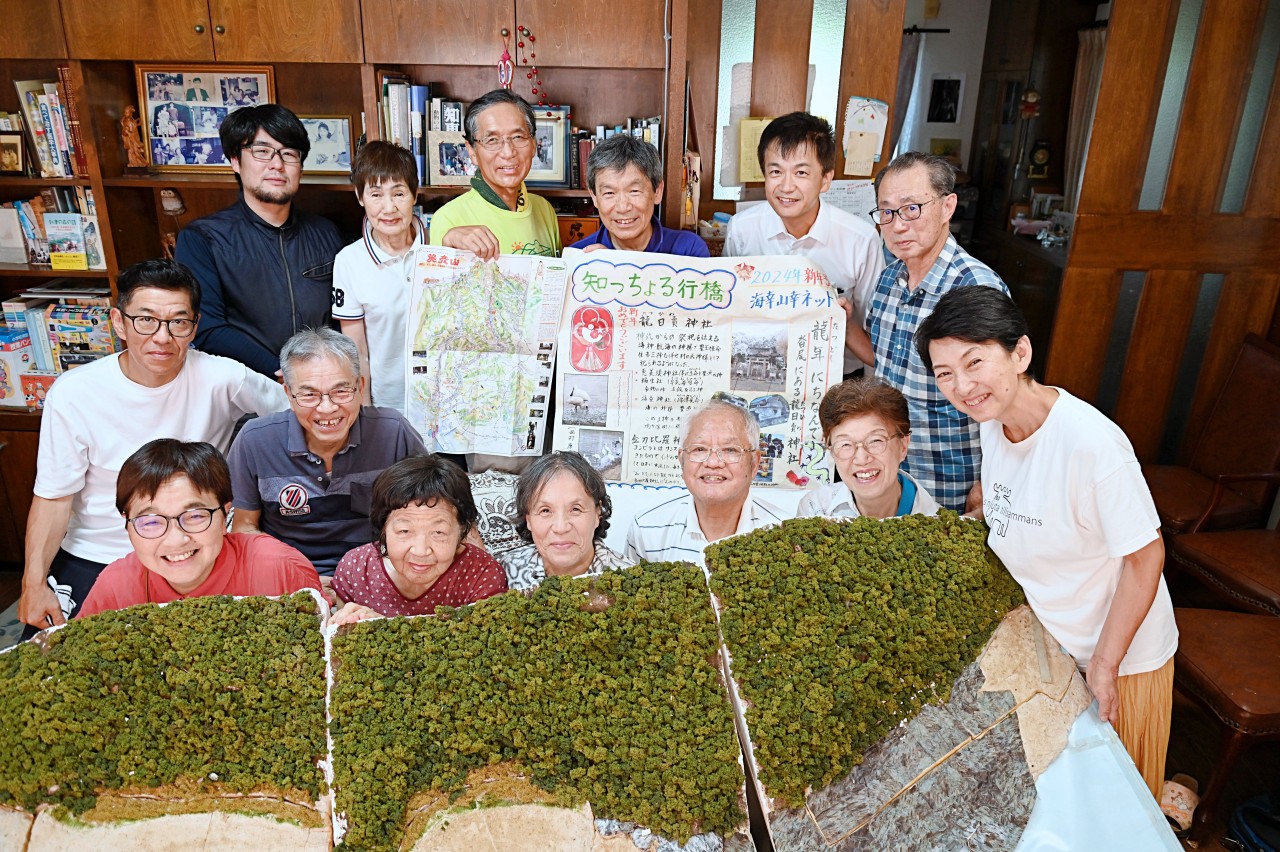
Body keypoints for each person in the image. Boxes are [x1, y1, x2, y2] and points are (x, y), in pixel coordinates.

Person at [916, 285, 1176, 800]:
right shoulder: (994, 422)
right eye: (945, 374)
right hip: (1053, 643)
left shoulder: (1093, 446)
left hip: (1118, 658)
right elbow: (1001, 495)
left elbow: (1146, 557)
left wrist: (1105, 664)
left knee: (1112, 808)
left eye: (974, 362)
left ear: (1020, 354)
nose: (962, 386)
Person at [18, 259, 288, 633]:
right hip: (99, 552)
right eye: (146, 320)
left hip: (192, 546)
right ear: (119, 323)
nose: (162, 337)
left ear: (194, 327)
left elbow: (300, 410)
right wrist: (32, 583)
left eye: (178, 322)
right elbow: (54, 497)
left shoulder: (222, 376)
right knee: (53, 670)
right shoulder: (75, 393)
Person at [865, 151, 1009, 513]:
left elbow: (1005, 397)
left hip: (951, 483)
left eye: (912, 208)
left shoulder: (973, 286)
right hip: (892, 477)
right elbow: (882, 358)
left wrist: (989, 482)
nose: (897, 225)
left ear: (948, 206)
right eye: (886, 212)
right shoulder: (888, 280)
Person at [228, 328, 426, 576]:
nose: (327, 407)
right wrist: (296, 577)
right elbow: (245, 528)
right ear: (289, 394)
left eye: (341, 391)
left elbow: (437, 509)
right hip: (288, 574)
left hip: (378, 572)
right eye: (309, 394)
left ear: (360, 386)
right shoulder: (255, 440)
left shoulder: (393, 431)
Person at [174, 104, 343, 378]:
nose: (277, 164)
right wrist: (281, 373)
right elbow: (208, 329)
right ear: (235, 161)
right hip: (246, 392)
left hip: (323, 389)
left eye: (289, 154)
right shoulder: (202, 239)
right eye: (262, 152)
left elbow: (342, 317)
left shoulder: (326, 233)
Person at [78, 440, 320, 616]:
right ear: (127, 523)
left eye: (194, 516)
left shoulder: (280, 570)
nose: (176, 540)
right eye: (151, 522)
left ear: (226, 512)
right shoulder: (115, 588)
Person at [724, 112, 884, 375]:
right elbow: (730, 308)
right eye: (776, 171)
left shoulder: (861, 239)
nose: (786, 186)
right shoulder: (742, 229)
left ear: (825, 179)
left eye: (801, 172)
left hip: (837, 377)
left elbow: (873, 333)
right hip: (761, 368)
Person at [329, 454, 508, 624]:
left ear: (462, 530)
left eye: (438, 532)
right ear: (383, 528)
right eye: (405, 530)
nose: (421, 551)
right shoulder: (356, 569)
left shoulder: (482, 574)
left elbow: (485, 648)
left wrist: (383, 628)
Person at [332, 141, 427, 416]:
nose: (389, 208)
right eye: (376, 194)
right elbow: (356, 351)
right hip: (389, 406)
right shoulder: (349, 261)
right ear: (360, 197)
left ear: (414, 194)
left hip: (446, 404)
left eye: (399, 193)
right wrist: (366, 413)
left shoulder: (440, 249)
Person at [626, 401, 784, 564]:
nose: (713, 462)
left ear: (755, 463)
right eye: (699, 449)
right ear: (682, 460)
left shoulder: (785, 533)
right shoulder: (646, 530)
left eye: (730, 450)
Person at [428, 89, 560, 260]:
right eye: (492, 140)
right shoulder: (449, 219)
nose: (508, 152)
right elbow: (436, 284)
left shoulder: (544, 210)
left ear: (533, 144)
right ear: (472, 151)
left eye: (518, 137)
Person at [797, 377, 940, 520]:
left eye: (875, 441)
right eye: (845, 444)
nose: (861, 459)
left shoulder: (939, 524)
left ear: (903, 446)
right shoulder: (814, 509)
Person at [499, 451, 631, 591]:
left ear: (598, 513)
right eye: (545, 511)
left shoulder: (629, 581)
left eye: (575, 509)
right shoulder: (507, 570)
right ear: (528, 519)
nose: (561, 527)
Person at [570, 135, 709, 256]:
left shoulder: (689, 250)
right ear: (594, 197)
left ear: (657, 191)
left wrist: (615, 271)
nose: (623, 207)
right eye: (609, 193)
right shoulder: (579, 257)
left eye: (634, 191)